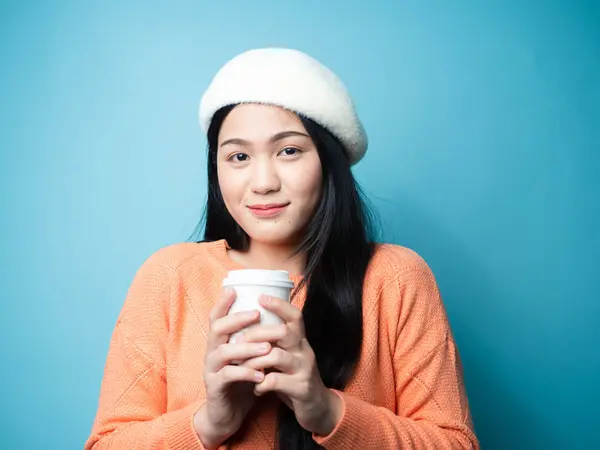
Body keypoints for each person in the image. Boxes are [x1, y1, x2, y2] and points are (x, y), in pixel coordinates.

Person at [85, 48, 479, 449]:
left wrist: (326, 410)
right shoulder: (169, 277)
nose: (262, 182)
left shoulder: (394, 278)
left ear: (329, 160)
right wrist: (209, 423)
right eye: (238, 156)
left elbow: (456, 444)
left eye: (289, 151)